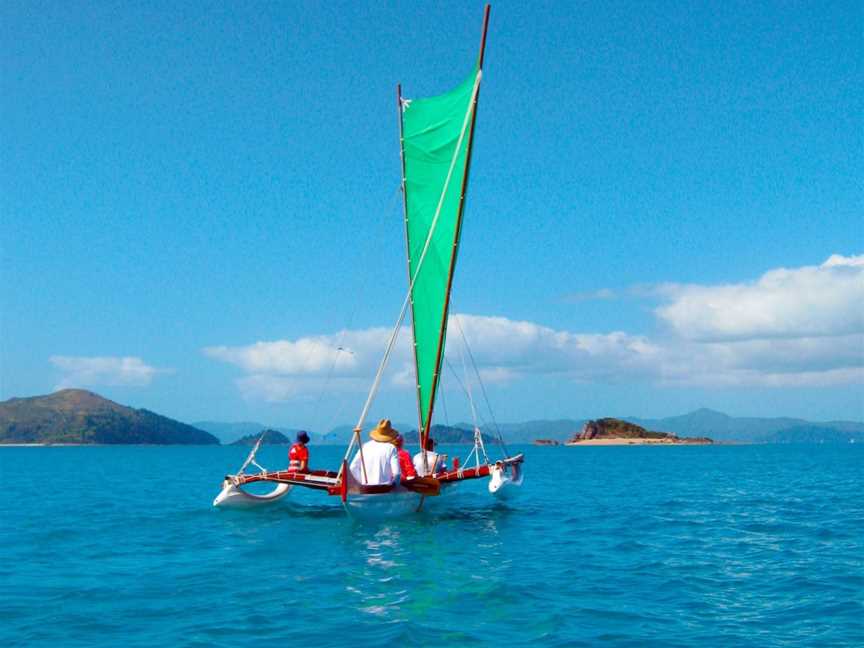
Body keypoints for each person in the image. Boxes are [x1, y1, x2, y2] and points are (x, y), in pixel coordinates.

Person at [349, 419, 401, 485]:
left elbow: (352, 467)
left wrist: (362, 482)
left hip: (366, 490)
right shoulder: (391, 448)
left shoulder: (365, 446)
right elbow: (397, 473)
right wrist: (394, 485)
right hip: (385, 489)